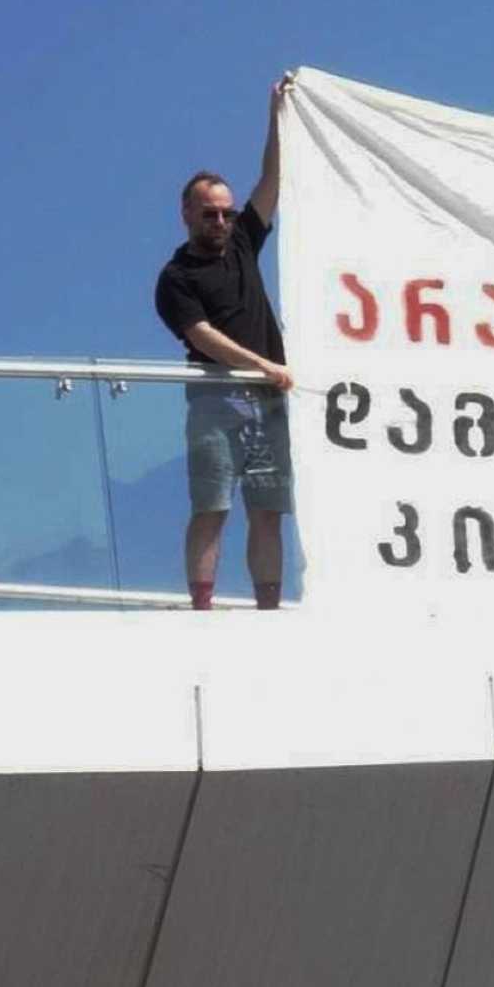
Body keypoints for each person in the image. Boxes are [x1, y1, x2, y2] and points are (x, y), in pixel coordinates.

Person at [154, 76, 296, 610]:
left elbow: (272, 178)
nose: (220, 220)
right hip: (215, 401)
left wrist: (276, 113)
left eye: (226, 211)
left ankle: (268, 608)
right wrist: (263, 364)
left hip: (268, 401)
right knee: (212, 506)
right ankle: (202, 609)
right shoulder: (176, 277)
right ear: (187, 213)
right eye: (209, 212)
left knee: (268, 510)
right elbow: (202, 337)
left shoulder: (242, 243)